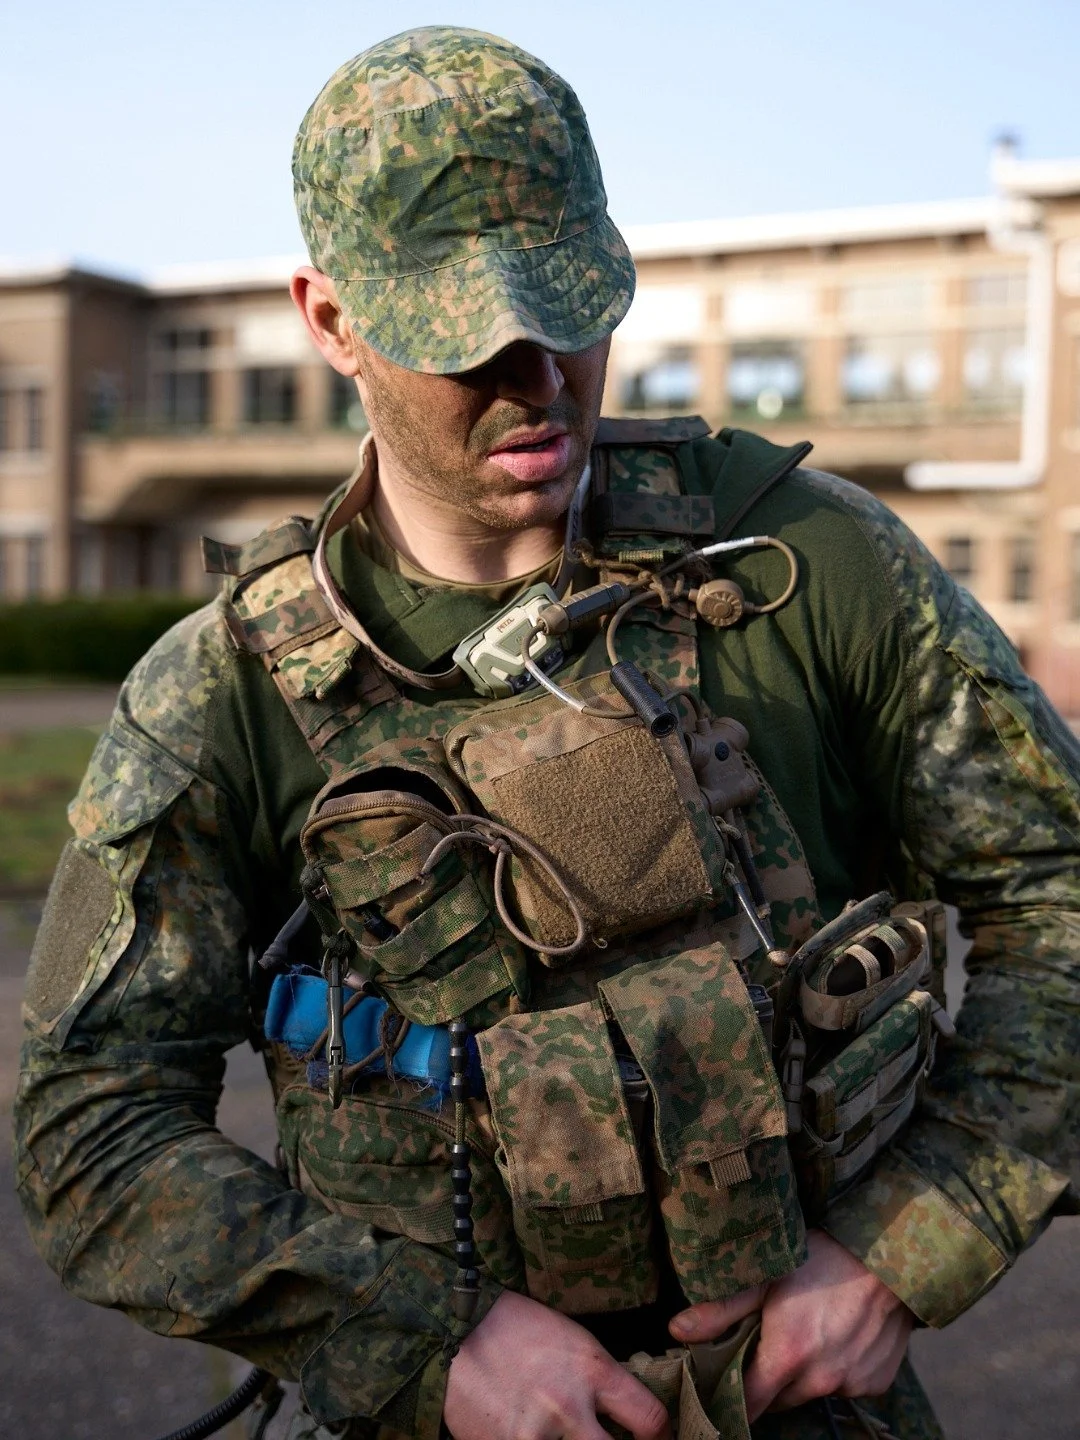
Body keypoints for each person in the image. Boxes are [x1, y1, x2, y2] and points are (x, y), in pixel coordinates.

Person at [15, 26, 1079, 1440]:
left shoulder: (802, 568)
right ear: (327, 320)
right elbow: (90, 1125)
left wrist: (907, 1246)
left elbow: (1059, 901)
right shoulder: (221, 693)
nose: (538, 371)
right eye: (463, 332)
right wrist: (419, 1346)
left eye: (571, 304)